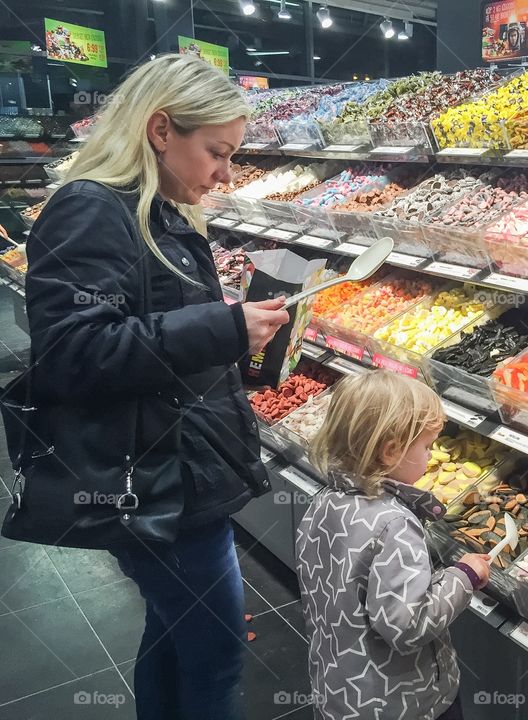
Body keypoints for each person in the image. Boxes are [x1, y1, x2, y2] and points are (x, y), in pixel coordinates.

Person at [3, 54, 289, 720]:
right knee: (215, 654)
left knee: (174, 632)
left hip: (176, 471)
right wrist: (221, 331)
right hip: (152, 485)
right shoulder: (90, 210)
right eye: (217, 152)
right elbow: (75, 352)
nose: (225, 174)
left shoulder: (156, 211)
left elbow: (149, 331)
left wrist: (238, 342)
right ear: (161, 129)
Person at [296, 371, 491, 720]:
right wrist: (463, 577)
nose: (431, 456)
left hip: (340, 687)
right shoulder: (395, 524)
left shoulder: (325, 499)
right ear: (390, 452)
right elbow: (408, 626)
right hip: (404, 703)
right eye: (427, 445)